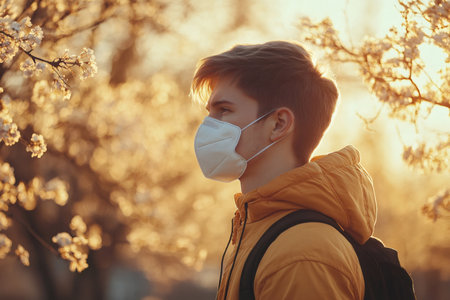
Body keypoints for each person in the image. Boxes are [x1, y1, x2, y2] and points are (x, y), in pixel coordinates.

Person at [191, 41, 376, 300]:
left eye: (224, 110)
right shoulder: (259, 228)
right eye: (209, 112)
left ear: (278, 124)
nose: (208, 126)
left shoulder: (302, 254)